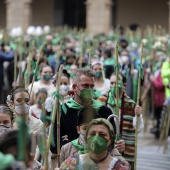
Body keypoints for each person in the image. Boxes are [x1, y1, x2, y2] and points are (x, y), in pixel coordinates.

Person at [51, 68, 124, 157]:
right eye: (85, 86)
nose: (89, 89)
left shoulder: (104, 111)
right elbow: (54, 145)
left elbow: (111, 143)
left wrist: (119, 146)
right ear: (74, 87)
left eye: (92, 86)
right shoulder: (62, 111)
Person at [60, 107, 126, 165]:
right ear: (78, 129)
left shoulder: (107, 148)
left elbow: (123, 165)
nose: (89, 134)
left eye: (92, 130)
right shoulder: (66, 150)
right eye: (85, 129)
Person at [6, 86, 52, 169]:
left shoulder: (38, 124)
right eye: (19, 100)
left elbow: (45, 152)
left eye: (26, 100)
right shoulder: (7, 123)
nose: (23, 103)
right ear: (12, 104)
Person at [108, 73, 144, 170]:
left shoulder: (131, 104)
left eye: (117, 83)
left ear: (124, 85)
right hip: (106, 152)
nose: (114, 86)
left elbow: (138, 129)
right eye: (111, 83)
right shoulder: (102, 100)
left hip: (126, 152)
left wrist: (138, 115)